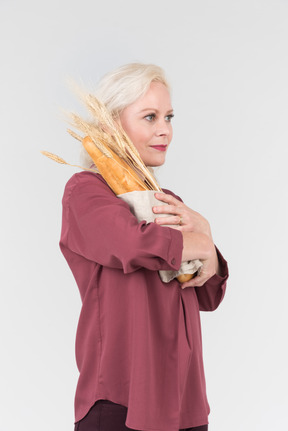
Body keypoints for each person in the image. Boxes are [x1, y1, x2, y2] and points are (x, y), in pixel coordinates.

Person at [60, 63, 229, 431]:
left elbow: (207, 294)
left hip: (184, 402)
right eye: (149, 117)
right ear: (109, 124)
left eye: (168, 116)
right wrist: (200, 241)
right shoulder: (86, 191)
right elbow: (131, 244)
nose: (165, 130)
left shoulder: (165, 199)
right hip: (121, 399)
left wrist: (209, 249)